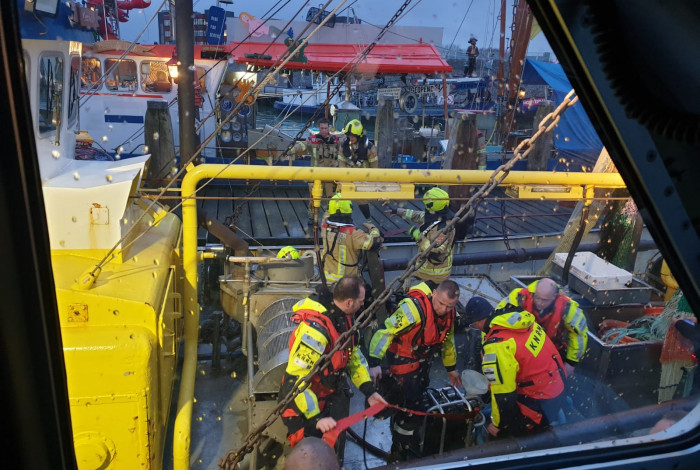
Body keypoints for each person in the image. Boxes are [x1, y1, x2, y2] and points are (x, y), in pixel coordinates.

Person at [279, 277, 388, 458]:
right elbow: (295, 381)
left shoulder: (345, 319)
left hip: (328, 396)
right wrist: (316, 419)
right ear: (348, 302)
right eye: (361, 301)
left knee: (333, 451)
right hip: (304, 408)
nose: (362, 305)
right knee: (311, 458)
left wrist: (369, 390)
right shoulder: (315, 332)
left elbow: (353, 356)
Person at [368, 280, 462, 461]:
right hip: (402, 364)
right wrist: (374, 362)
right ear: (434, 293)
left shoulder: (450, 316)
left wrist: (451, 369)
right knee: (412, 409)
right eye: (441, 303)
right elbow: (384, 333)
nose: (443, 309)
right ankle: (400, 450)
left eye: (449, 306)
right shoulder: (412, 310)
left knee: (410, 404)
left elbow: (447, 343)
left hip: (421, 365)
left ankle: (404, 433)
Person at [465, 303, 567, 438]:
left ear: (478, 322)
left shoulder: (497, 345)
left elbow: (504, 395)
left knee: (500, 432)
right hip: (559, 387)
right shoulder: (524, 322)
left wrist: (498, 425)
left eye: (474, 325)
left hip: (539, 402)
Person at [497, 278, 588, 375]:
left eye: (545, 300)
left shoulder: (567, 307)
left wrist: (571, 363)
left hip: (551, 352)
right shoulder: (518, 297)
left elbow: (579, 335)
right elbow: (496, 321)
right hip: (518, 349)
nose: (540, 302)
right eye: (537, 298)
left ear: (554, 297)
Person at [388, 187, 455, 284]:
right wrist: (398, 211)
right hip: (424, 273)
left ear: (431, 204)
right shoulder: (436, 215)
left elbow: (435, 254)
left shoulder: (443, 228)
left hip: (435, 277)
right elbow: (417, 215)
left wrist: (418, 236)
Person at [321, 193, 382, 285]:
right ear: (349, 209)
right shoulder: (354, 233)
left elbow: (327, 215)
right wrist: (373, 229)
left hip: (327, 279)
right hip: (347, 283)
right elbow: (374, 243)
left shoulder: (324, 226)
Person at [289, 118, 341, 220]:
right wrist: (290, 150)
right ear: (318, 128)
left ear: (329, 128)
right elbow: (302, 146)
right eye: (322, 128)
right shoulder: (312, 140)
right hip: (316, 176)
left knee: (332, 198)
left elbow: (343, 153)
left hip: (331, 176)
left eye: (326, 128)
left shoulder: (335, 141)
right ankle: (312, 216)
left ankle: (331, 217)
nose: (324, 131)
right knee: (314, 197)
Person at [337, 119, 377, 221]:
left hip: (363, 178)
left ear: (359, 136)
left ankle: (368, 220)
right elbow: (341, 164)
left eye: (353, 136)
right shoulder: (344, 147)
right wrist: (343, 179)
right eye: (349, 136)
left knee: (362, 200)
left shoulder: (370, 148)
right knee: (343, 197)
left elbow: (375, 167)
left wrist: (371, 182)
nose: (351, 138)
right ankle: (344, 219)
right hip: (348, 177)